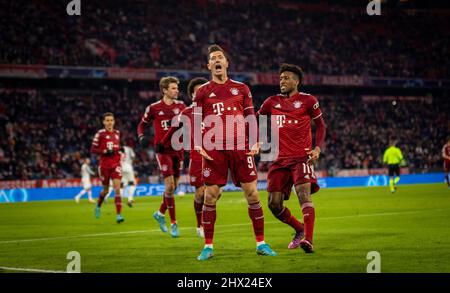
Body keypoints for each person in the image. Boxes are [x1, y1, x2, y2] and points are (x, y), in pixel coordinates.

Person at [193, 44, 276, 260]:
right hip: (214, 149)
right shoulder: (202, 92)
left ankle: (261, 243)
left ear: (226, 63)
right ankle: (208, 246)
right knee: (210, 196)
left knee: (253, 193)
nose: (217, 60)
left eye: (220, 57)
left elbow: (250, 117)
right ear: (209, 65)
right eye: (213, 58)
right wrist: (197, 143)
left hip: (240, 146)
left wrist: (256, 141)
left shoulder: (242, 88)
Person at [256, 63, 326, 253]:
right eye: (280, 79)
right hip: (278, 160)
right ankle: (299, 229)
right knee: (273, 204)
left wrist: (317, 148)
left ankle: (308, 240)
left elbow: (321, 126)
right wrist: (259, 140)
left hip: (301, 157)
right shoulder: (271, 101)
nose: (282, 81)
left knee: (304, 195)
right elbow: (258, 119)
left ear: (297, 81)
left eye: (286, 78)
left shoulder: (308, 101)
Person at [160, 77, 209, 238]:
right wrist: (162, 143)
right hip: (196, 158)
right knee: (200, 192)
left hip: (216, 157)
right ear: (193, 95)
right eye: (198, 91)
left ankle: (206, 222)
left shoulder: (215, 110)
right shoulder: (186, 112)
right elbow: (173, 129)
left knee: (216, 192)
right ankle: (200, 225)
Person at [137, 76, 186, 237]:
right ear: (164, 90)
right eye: (173, 88)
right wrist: (142, 137)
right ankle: (174, 224)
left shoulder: (181, 106)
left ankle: (159, 213)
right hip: (162, 150)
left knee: (174, 187)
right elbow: (142, 124)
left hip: (178, 150)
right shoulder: (154, 108)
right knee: (170, 186)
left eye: (177, 88)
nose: (176, 90)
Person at [91, 112, 124, 223]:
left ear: (114, 121)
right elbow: (93, 149)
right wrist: (104, 151)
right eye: (107, 120)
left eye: (111, 120)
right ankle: (98, 206)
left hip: (116, 165)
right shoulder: (100, 134)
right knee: (105, 191)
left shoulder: (117, 133)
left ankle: (119, 215)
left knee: (117, 188)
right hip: (104, 166)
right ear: (104, 122)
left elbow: (117, 146)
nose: (110, 122)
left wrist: (120, 150)